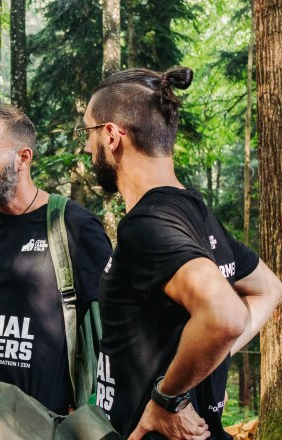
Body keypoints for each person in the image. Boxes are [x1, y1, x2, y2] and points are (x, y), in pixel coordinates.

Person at [81, 66, 282, 440]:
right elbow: (268, 289)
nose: (86, 145)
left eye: (87, 132)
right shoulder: (197, 213)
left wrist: (166, 399)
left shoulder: (148, 226)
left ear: (110, 135)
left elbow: (224, 315)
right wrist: (209, 360)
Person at [0, 105, 112, 414]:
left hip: (44, 420)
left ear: (23, 158)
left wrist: (90, 404)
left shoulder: (73, 225)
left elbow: (116, 322)